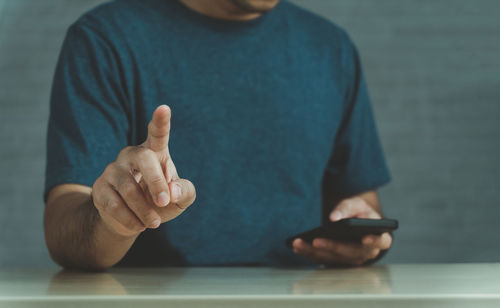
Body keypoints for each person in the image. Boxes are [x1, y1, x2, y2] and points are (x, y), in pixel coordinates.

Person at [44, 0, 393, 270]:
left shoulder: (331, 48)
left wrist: (358, 233)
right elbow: (63, 227)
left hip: (301, 295)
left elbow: (361, 201)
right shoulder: (104, 39)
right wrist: (117, 218)